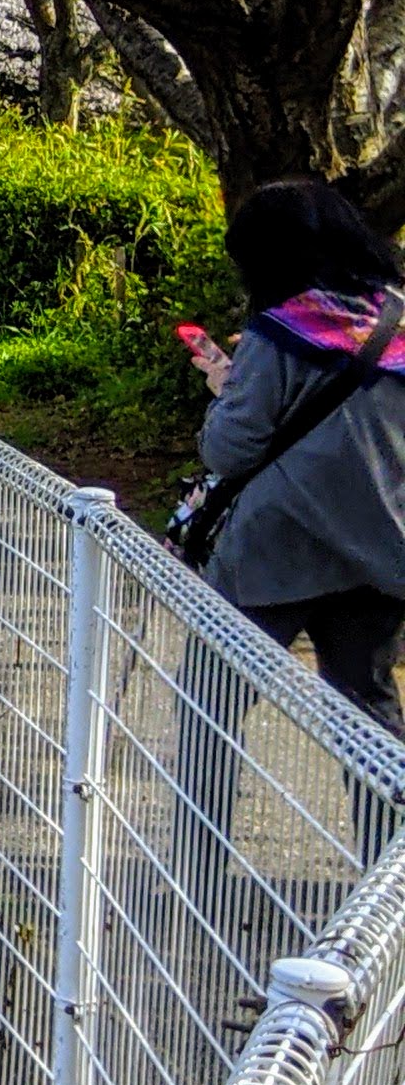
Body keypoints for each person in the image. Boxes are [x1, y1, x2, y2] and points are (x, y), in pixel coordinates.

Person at [189, 177, 405, 732]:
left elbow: (230, 451)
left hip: (277, 551)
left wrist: (226, 389)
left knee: (211, 707)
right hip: (380, 552)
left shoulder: (279, 332)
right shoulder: (399, 321)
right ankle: (388, 824)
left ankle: (202, 823)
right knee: (369, 725)